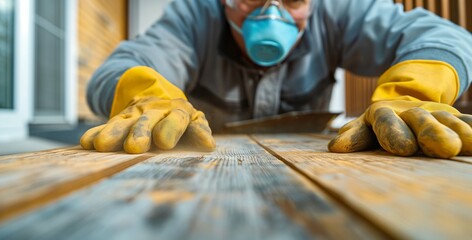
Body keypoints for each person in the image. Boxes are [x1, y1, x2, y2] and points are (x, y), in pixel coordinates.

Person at [80, 0, 472, 158]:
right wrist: (146, 93)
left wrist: (410, 91)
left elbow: (446, 38)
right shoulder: (194, 16)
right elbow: (116, 70)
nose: (271, 14)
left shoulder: (337, 11)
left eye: (293, 0)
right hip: (198, 166)